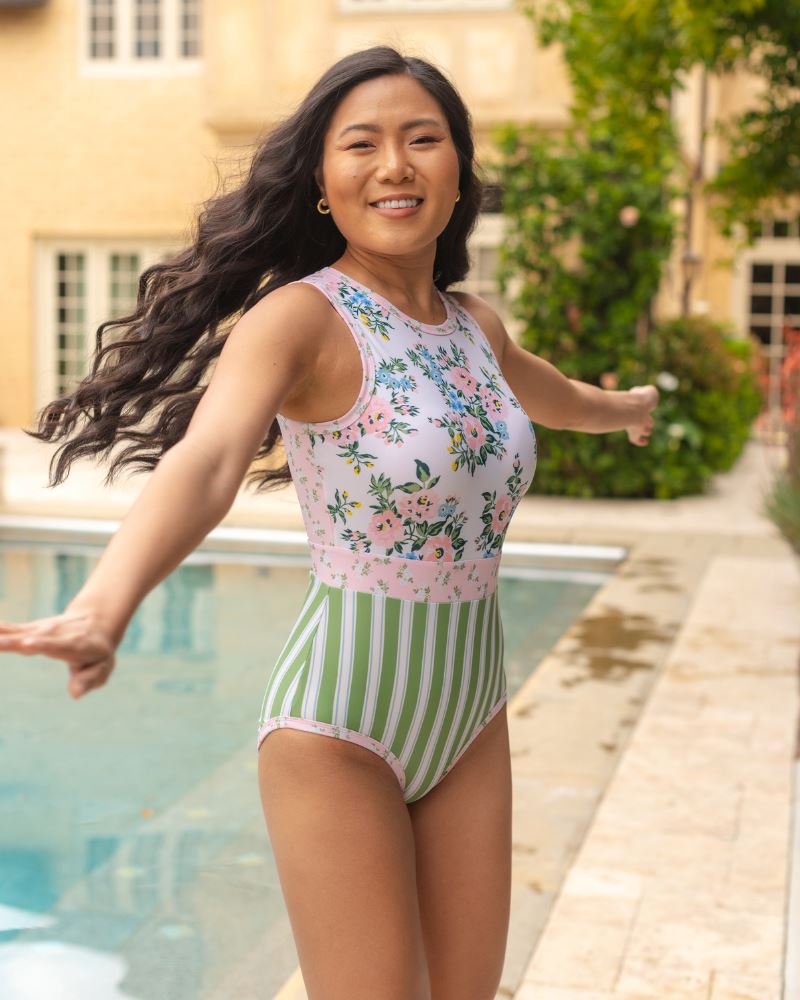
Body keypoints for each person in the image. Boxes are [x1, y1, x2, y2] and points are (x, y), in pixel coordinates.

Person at [0, 46, 658, 1000]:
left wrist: (627, 408)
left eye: (422, 139)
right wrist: (105, 603)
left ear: (459, 173)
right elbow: (207, 460)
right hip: (339, 724)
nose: (394, 165)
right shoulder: (301, 319)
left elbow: (553, 396)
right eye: (362, 144)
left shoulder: (476, 327)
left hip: (472, 717)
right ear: (321, 181)